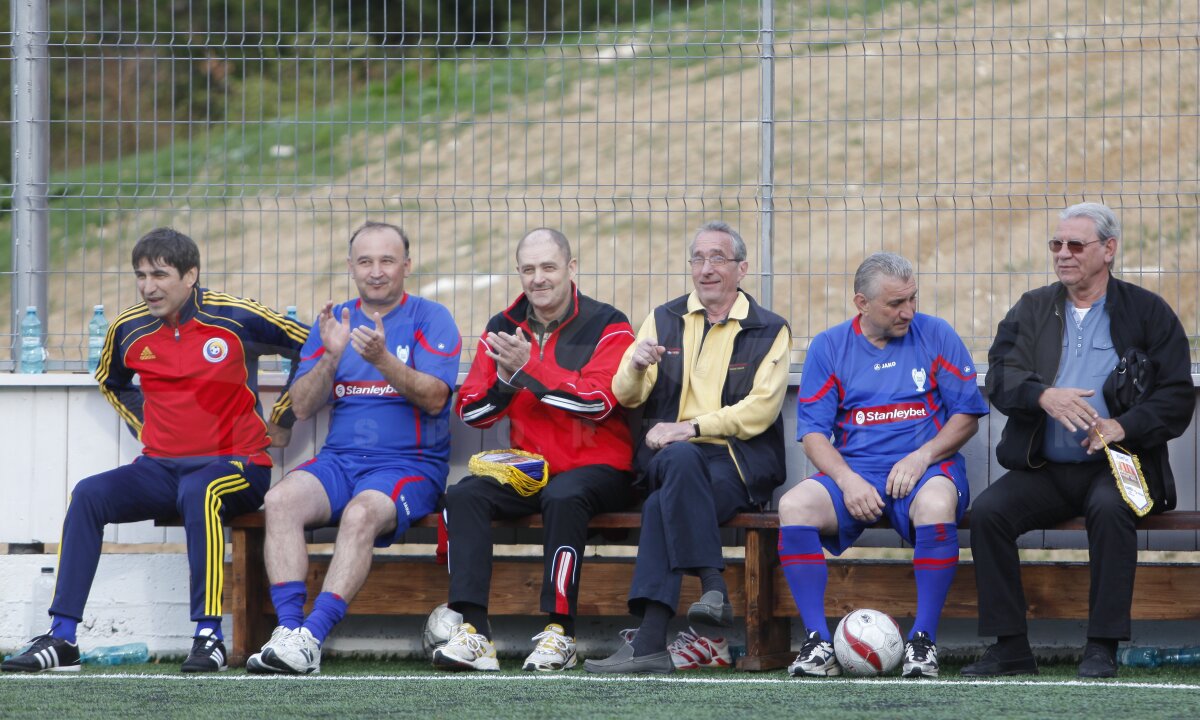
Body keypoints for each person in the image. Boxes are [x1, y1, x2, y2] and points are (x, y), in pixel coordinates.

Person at [1, 228, 307, 674]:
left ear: (191, 275)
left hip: (239, 464)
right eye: (141, 275)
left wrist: (281, 417)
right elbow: (111, 379)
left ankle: (208, 636)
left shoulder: (234, 317)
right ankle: (62, 637)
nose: (148, 287)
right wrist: (148, 425)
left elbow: (311, 342)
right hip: (161, 468)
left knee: (200, 491)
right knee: (89, 494)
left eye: (160, 275)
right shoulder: (128, 328)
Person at [962, 202, 1193, 679]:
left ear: (1108, 250)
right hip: (1045, 467)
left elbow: (1175, 398)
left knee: (1110, 511)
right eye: (1056, 245)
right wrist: (1042, 395)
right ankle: (1010, 648)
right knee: (987, 514)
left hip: (1118, 464)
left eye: (1075, 245)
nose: (1063, 254)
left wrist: (1120, 426)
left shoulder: (1147, 312)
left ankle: (1101, 646)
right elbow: (1001, 377)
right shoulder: (1031, 309)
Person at [245, 221, 461, 675]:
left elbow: (437, 397)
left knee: (362, 513)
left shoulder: (430, 317)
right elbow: (302, 407)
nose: (376, 272)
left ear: (407, 265)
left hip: (410, 466)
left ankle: (313, 636)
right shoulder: (334, 321)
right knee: (279, 500)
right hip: (340, 462)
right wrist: (330, 355)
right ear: (351, 267)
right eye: (365, 262)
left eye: (387, 261)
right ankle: (290, 633)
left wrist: (383, 359)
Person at [585, 220, 791, 674]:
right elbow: (627, 395)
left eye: (718, 258)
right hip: (668, 455)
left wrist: (691, 427)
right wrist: (636, 366)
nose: (706, 269)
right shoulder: (663, 319)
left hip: (735, 462)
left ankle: (650, 644)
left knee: (663, 505)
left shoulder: (770, 329)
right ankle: (712, 585)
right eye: (697, 258)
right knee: (677, 462)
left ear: (742, 268)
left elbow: (760, 411)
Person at [431, 228, 636, 672]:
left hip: (602, 467)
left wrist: (530, 371)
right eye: (528, 269)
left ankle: (561, 633)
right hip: (531, 470)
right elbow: (471, 409)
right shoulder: (501, 328)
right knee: (463, 494)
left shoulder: (610, 323)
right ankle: (474, 632)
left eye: (548, 267)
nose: (538, 278)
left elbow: (597, 403)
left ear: (571, 268)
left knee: (564, 496)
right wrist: (507, 383)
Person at [778, 252, 988, 679]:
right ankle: (818, 643)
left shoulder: (936, 334)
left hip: (927, 468)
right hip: (856, 471)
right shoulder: (829, 346)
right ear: (862, 303)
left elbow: (966, 415)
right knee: (793, 506)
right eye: (895, 304)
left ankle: (923, 642)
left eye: (913, 298)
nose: (908, 311)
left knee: (934, 505)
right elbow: (814, 434)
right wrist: (846, 479)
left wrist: (922, 455)